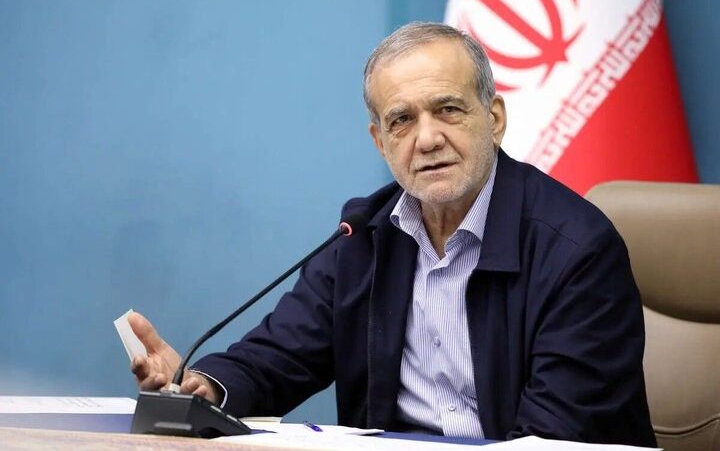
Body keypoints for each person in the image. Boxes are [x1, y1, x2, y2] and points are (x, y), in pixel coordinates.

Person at [129, 22, 656, 446]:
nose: (427, 139)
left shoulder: (576, 250)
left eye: (448, 109)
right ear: (380, 142)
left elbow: (559, 437)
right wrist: (204, 386)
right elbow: (279, 355)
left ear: (494, 119)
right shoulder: (363, 235)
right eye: (402, 120)